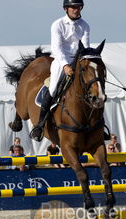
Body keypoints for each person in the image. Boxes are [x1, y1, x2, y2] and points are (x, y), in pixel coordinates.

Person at [30, 0, 89, 141]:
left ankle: (98, 125)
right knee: (53, 88)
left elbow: (85, 47)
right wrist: (65, 65)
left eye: (78, 7)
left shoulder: (85, 25)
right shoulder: (58, 24)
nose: (76, 9)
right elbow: (57, 48)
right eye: (73, 7)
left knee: (92, 87)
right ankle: (39, 125)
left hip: (78, 61)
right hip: (60, 60)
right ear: (66, 9)